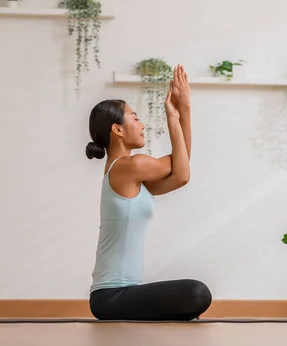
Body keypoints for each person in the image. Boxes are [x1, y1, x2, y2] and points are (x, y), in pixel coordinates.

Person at [85, 64, 212, 321]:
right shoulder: (129, 167)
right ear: (117, 129)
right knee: (197, 293)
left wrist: (182, 112)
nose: (142, 124)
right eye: (134, 118)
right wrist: (178, 113)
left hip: (119, 294)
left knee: (194, 296)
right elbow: (182, 166)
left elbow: (181, 172)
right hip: (111, 296)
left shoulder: (131, 174)